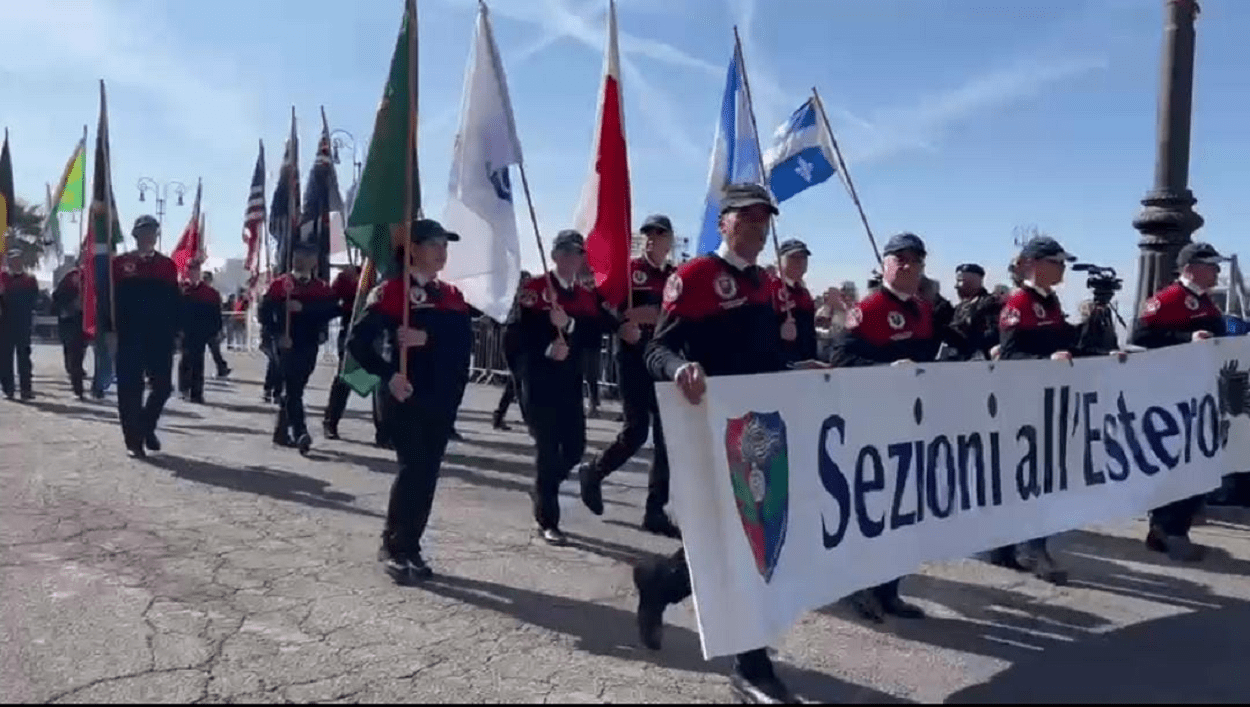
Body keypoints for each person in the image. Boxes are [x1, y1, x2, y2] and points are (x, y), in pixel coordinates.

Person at [635, 183, 796, 705]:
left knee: (736, 541)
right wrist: (679, 367)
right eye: (747, 217)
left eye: (764, 218)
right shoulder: (697, 277)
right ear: (723, 223)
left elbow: (765, 358)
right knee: (747, 545)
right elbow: (657, 347)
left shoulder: (766, 283)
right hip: (713, 429)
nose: (758, 226)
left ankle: (661, 581)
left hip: (763, 431)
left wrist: (800, 370)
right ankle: (751, 667)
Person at [348, 220, 475, 584]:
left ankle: (409, 543)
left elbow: (463, 345)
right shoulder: (391, 292)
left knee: (427, 474)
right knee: (413, 470)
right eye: (434, 243)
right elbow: (358, 344)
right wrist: (389, 374)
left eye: (445, 244)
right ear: (413, 249)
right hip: (405, 395)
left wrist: (427, 336)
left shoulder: (450, 296)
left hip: (441, 399)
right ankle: (398, 545)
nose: (441, 251)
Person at [826, 233, 938, 623]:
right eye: (899, 259)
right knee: (870, 510)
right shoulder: (869, 308)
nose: (907, 265)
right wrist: (884, 373)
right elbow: (839, 359)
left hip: (911, 421)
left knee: (905, 510)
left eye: (915, 259)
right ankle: (856, 588)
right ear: (885, 265)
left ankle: (889, 589)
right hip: (870, 422)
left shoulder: (924, 309)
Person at [987, 235, 1092, 583]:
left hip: (1048, 402)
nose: (1062, 268)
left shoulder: (1050, 301)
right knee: (1036, 477)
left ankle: (1011, 547)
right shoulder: (1020, 302)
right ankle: (1030, 546)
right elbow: (1011, 354)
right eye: (1056, 262)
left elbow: (1062, 341)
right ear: (1035, 264)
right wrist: (1047, 360)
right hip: (1025, 404)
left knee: (1041, 476)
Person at [578, 215, 680, 539]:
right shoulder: (629, 270)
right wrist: (620, 326)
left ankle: (655, 509)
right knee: (636, 431)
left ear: (670, 241)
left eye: (659, 234)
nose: (653, 239)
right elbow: (599, 302)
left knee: (667, 439)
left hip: (662, 360)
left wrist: (657, 316)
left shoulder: (676, 277)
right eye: (648, 233)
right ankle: (595, 471)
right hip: (633, 358)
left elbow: (680, 314)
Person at [509, 230, 612, 546]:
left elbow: (593, 337)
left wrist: (568, 325)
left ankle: (544, 488)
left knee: (575, 447)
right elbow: (514, 338)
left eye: (577, 253)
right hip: (539, 382)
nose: (570, 258)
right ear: (553, 255)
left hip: (569, 383)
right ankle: (548, 519)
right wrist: (543, 350)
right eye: (564, 252)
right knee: (547, 448)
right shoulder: (535, 290)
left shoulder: (583, 296)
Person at [1132, 242, 1227, 561]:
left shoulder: (1205, 301)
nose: (1217, 271)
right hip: (1174, 394)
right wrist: (1187, 340)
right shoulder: (1168, 299)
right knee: (1177, 459)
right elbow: (1141, 337)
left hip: (1201, 392)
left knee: (1198, 460)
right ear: (1190, 268)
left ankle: (1178, 526)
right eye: (1210, 265)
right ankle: (1166, 527)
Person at [259, 242, 340, 454]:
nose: (300, 260)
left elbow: (332, 310)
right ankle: (300, 431)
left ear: (314, 261)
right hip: (284, 342)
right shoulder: (280, 285)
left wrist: (304, 309)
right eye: (297, 255)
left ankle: (281, 431)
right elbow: (263, 314)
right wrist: (278, 331)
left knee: (296, 386)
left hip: (309, 343)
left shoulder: (321, 288)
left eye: (306, 256)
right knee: (293, 388)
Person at [111, 215, 180, 458]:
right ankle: (134, 441)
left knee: (162, 387)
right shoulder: (120, 264)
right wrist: (109, 329)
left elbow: (174, 302)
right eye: (143, 232)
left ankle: (145, 426)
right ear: (135, 235)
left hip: (160, 335)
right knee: (130, 389)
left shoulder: (167, 266)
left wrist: (176, 332)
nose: (148, 236)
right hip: (129, 334)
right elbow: (109, 301)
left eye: (152, 231)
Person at [323, 263, 361, 440]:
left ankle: (384, 432)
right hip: (351, 327)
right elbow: (330, 303)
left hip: (382, 327)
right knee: (346, 374)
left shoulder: (389, 268)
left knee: (384, 381)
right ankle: (331, 422)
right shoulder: (347, 276)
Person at [177, 262, 223, 404]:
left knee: (198, 362)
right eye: (190, 271)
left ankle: (197, 393)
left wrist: (216, 331)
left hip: (201, 332)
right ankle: (184, 388)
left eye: (195, 271)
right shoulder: (181, 291)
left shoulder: (209, 293)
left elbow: (216, 314)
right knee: (185, 359)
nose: (192, 274)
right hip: (184, 331)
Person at [491, 272, 531, 431]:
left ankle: (499, 415)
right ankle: (529, 419)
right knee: (519, 380)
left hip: (520, 334)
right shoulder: (514, 297)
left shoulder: (521, 297)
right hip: (513, 334)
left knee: (515, 380)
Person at [0, 250, 39, 401]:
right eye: (13, 260)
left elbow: (34, 300)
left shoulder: (29, 280)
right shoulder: (3, 279)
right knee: (5, 359)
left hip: (23, 324)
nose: (16, 263)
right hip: (5, 325)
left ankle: (26, 390)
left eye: (18, 260)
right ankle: (8, 389)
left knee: (24, 358)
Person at [772, 238, 818, 364]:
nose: (799, 262)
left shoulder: (804, 293)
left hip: (807, 362)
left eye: (803, 258)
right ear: (780, 261)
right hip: (782, 364)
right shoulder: (770, 288)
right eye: (793, 257)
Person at [946, 263, 1003, 361]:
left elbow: (994, 334)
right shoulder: (960, 307)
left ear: (973, 282)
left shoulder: (989, 303)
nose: (956, 286)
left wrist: (968, 337)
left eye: (960, 281)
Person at [52, 263, 87, 399]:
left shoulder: (96, 275)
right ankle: (78, 386)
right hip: (71, 319)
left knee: (80, 351)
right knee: (73, 351)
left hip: (87, 319)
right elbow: (58, 296)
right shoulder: (71, 276)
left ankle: (90, 383)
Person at [202, 272, 231, 378]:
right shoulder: (205, 293)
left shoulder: (213, 294)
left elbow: (217, 312)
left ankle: (222, 368)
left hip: (210, 327)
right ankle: (222, 368)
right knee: (213, 351)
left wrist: (219, 328)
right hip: (204, 327)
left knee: (215, 351)